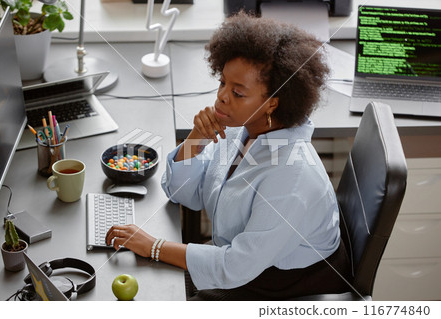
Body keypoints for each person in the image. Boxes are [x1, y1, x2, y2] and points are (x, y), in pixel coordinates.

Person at [106, 12, 351, 300]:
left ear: (273, 103)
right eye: (222, 83)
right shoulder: (242, 130)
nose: (222, 96)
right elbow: (183, 192)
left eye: (238, 92)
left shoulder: (292, 178)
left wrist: (154, 246)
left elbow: (236, 267)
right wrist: (196, 137)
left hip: (283, 283)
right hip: (239, 259)